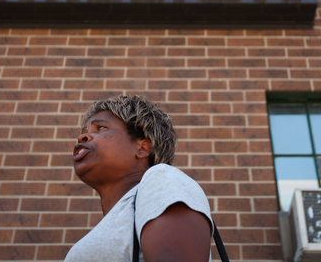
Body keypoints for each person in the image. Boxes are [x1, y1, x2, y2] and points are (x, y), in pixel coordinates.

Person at [64, 95, 213, 262]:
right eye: (84, 132)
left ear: (143, 148)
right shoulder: (115, 221)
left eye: (100, 128)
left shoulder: (162, 178)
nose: (82, 137)